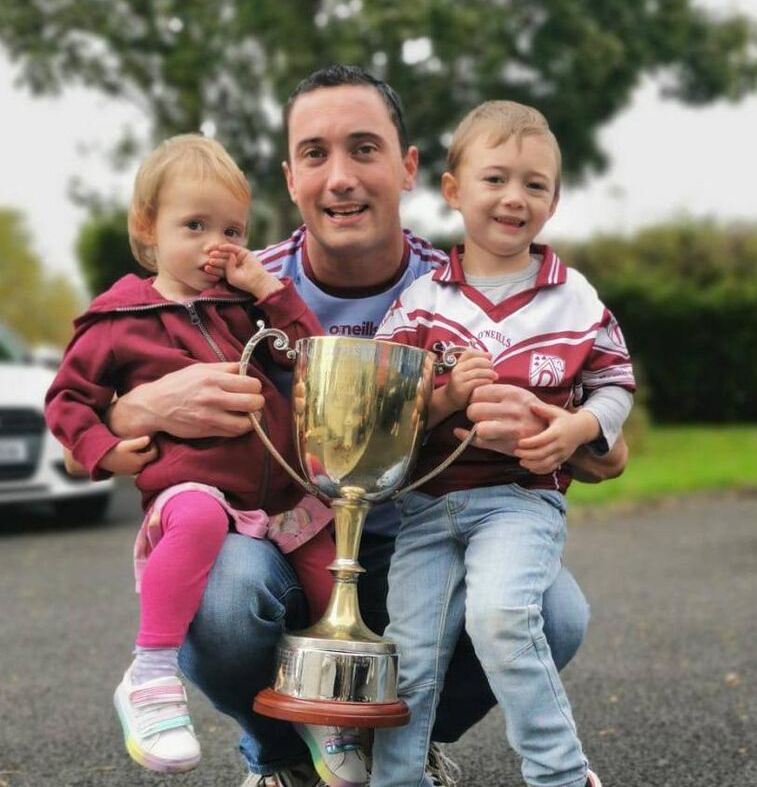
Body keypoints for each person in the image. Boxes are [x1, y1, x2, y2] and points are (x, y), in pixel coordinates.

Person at [99, 66, 629, 787]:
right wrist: (138, 410)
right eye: (316, 154)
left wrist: (560, 427)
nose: (340, 177)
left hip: (427, 538)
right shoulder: (233, 286)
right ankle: (280, 757)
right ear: (291, 178)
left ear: (409, 168)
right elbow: (107, 383)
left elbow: (612, 451)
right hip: (291, 558)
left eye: (365, 148)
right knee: (222, 594)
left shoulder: (469, 286)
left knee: (554, 610)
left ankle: (397, 750)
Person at [44, 135, 338, 775]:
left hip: (279, 493)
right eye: (195, 225)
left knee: (327, 567)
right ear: (147, 230)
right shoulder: (118, 319)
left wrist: (266, 287)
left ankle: (320, 699)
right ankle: (149, 677)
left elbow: (313, 359)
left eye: (232, 229)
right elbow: (68, 401)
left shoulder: (244, 307)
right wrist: (105, 449)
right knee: (201, 521)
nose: (216, 244)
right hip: (193, 492)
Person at [370, 101, 635, 787]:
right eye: (495, 179)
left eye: (535, 184)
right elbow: (386, 413)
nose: (514, 198)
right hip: (426, 509)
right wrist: (448, 396)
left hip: (520, 501)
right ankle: (398, 780)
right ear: (454, 190)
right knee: (411, 654)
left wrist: (576, 428)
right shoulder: (422, 302)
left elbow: (614, 383)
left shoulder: (575, 298)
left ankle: (561, 774)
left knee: (501, 622)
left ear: (554, 199)